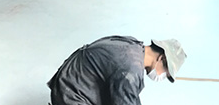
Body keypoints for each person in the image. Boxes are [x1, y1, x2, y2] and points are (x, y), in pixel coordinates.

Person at [47, 35, 187, 105]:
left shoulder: (132, 46)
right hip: (72, 96)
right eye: (166, 72)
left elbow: (130, 98)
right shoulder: (130, 69)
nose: (162, 76)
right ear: (161, 58)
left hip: (69, 84)